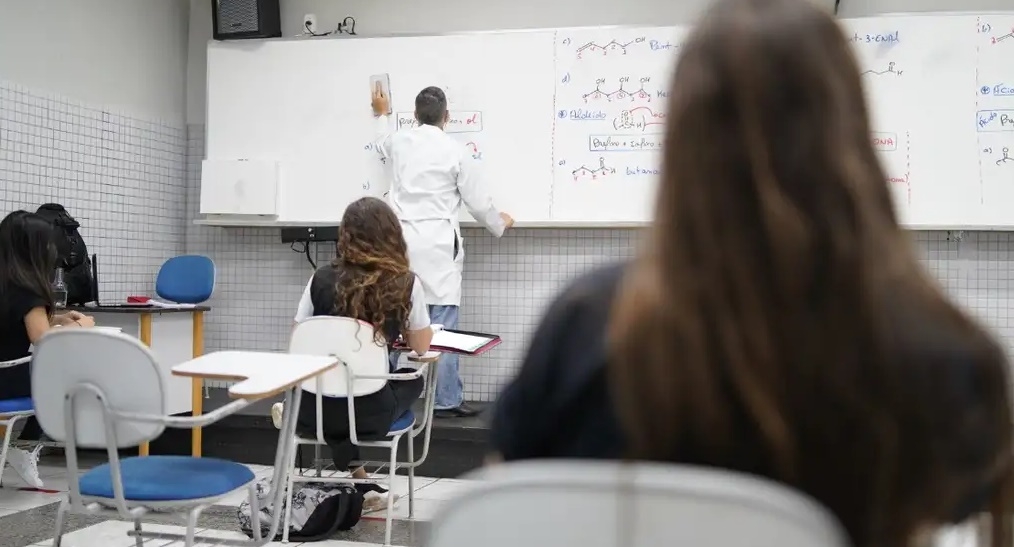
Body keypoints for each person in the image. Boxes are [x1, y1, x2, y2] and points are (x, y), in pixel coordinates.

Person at [489, 1, 1014, 546]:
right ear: (849, 131)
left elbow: (504, 508)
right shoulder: (950, 358)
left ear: (683, 140)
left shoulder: (588, 326)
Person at [281, 197, 433, 512]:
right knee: (410, 380)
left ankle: (361, 483)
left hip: (312, 409)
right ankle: (363, 485)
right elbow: (421, 346)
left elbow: (298, 338)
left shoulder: (319, 278)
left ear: (345, 234)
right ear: (392, 235)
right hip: (369, 414)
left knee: (340, 386)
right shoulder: (406, 283)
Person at [370, 85, 513, 418]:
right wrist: (500, 224)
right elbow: (479, 204)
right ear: (447, 117)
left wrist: (381, 114)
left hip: (401, 245)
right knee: (443, 327)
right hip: (438, 247)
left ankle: (380, 391)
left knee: (393, 319)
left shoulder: (399, 140)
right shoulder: (456, 151)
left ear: (415, 115)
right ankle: (446, 399)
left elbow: (380, 144)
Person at [0, 210, 95, 488]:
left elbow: (13, 320)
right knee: (71, 375)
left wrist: (59, 319)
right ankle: (26, 447)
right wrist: (82, 326)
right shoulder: (26, 288)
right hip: (6, 380)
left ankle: (21, 447)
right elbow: (43, 338)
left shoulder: (7, 284)